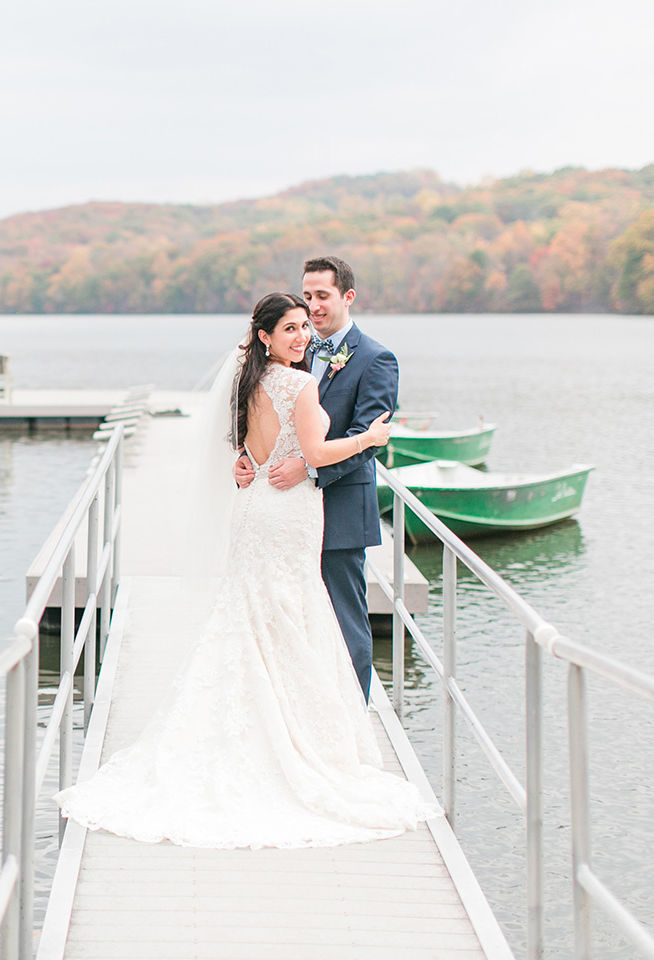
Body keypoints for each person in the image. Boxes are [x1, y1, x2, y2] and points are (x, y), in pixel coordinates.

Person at [55, 293, 439, 849]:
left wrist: (248, 462)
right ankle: (291, 742)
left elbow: (237, 447)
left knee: (255, 611)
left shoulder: (247, 381)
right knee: (287, 612)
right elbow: (317, 451)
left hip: (256, 502)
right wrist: (371, 439)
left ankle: (259, 725)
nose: (302, 336)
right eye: (289, 328)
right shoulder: (299, 385)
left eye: (305, 326)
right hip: (287, 512)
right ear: (265, 336)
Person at [234, 256, 394, 701]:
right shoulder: (294, 358)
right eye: (307, 297)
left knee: (343, 620)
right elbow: (269, 424)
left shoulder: (377, 358)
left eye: (322, 296)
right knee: (290, 619)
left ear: (347, 296)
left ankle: (351, 717)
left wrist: (308, 466)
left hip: (339, 508)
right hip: (284, 511)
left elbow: (370, 437)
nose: (314, 307)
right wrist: (243, 460)